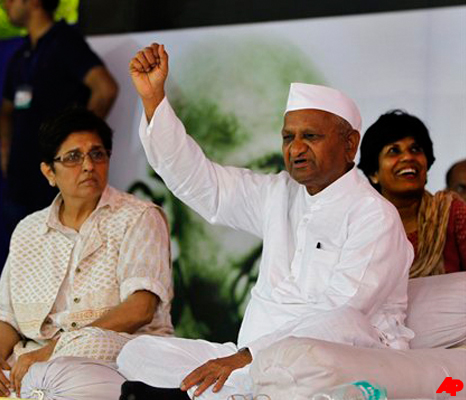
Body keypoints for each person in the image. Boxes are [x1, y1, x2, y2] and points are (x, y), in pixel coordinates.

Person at [116, 43, 414, 400]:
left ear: (350, 144)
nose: (296, 148)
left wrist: (246, 357)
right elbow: (205, 184)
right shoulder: (278, 194)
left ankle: (230, 389)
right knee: (137, 352)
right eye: (288, 137)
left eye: (311, 136)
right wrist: (153, 100)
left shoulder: (373, 216)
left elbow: (343, 314)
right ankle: (236, 389)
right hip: (247, 360)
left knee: (341, 324)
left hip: (335, 361)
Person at [0, 108, 174, 399]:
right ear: (49, 172)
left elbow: (140, 309)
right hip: (29, 361)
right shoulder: (29, 229)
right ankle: (27, 391)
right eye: (73, 157)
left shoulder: (139, 217)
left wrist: (52, 351)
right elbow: (6, 317)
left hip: (106, 357)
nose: (88, 166)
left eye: (97, 154)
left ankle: (31, 391)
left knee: (85, 347)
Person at [0, 0, 119, 231]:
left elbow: (105, 89)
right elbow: (5, 111)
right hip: (19, 185)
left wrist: (76, 147)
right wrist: (5, 149)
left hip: (54, 189)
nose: (6, 4)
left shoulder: (65, 42)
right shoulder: (20, 54)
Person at [358, 110, 466, 276]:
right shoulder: (359, 225)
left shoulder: (452, 214)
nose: (408, 157)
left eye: (415, 149)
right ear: (374, 173)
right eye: (394, 151)